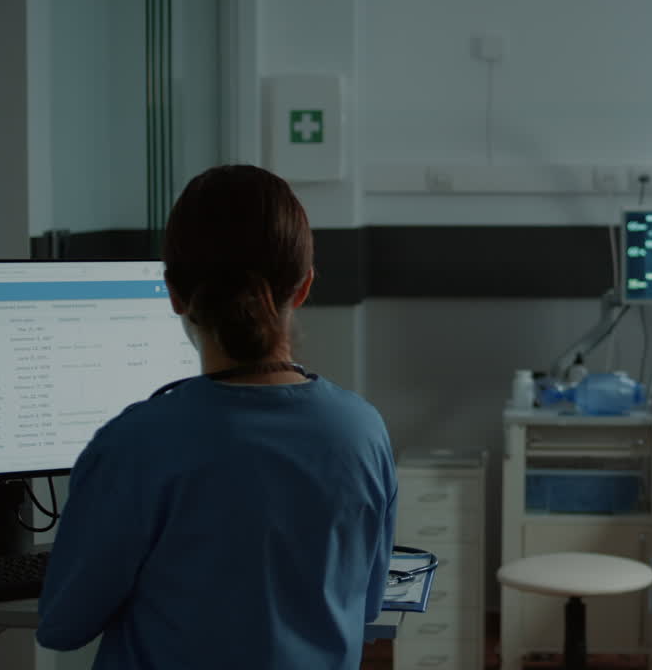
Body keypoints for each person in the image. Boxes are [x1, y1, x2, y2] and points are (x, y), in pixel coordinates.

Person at [36, 164, 397, 669]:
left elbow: (62, 626)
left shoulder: (135, 443)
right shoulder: (362, 432)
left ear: (174, 293)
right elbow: (368, 603)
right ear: (303, 288)